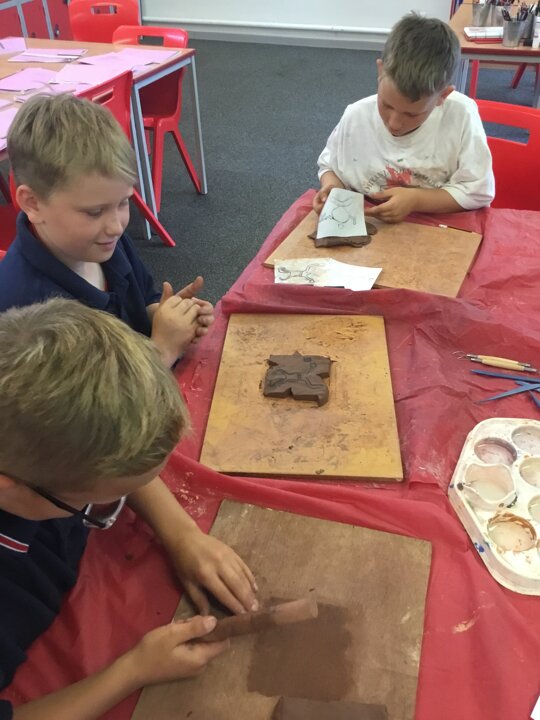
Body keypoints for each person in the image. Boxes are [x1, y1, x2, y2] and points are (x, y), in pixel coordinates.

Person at [0, 299, 258, 720]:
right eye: (98, 503)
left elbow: (106, 462)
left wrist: (182, 534)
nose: (115, 501)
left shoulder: (30, 454)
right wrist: (132, 670)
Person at [0, 93, 214, 368]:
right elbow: (102, 396)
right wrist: (163, 349)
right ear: (33, 203)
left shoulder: (102, 242)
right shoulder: (30, 316)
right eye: (94, 212)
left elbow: (142, 303)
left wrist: (169, 316)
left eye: (123, 202)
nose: (116, 226)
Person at [314, 13, 495, 224]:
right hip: (368, 223)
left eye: (412, 114)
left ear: (442, 96)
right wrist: (332, 188)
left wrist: (416, 200)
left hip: (436, 224)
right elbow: (329, 166)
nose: (394, 123)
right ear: (380, 71)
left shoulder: (461, 116)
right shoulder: (356, 115)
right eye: (386, 105)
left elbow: (478, 191)